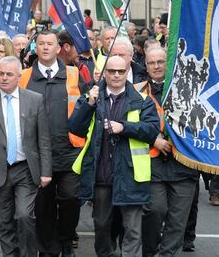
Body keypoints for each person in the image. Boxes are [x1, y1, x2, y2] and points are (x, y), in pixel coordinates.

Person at [68, 55, 159, 257]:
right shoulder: (92, 96)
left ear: (128, 72)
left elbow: (153, 130)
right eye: (111, 71)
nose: (116, 75)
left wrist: (124, 127)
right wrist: (89, 104)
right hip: (102, 175)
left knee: (132, 230)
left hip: (131, 175)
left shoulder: (141, 99)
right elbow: (75, 127)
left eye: (121, 71)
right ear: (104, 73)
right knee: (101, 226)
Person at [0, 56, 52, 257]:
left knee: (25, 215)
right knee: (4, 221)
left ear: (18, 76)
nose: (4, 78)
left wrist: (46, 171)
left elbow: (43, 138)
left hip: (25, 168)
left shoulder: (34, 99)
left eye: (9, 74)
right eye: (1, 74)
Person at [18, 30, 84, 257]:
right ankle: (48, 248)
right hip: (36, 154)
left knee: (71, 198)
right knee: (43, 205)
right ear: (35, 48)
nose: (45, 47)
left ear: (59, 48)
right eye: (41, 44)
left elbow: (89, 107)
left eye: (50, 44)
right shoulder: (24, 76)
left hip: (69, 150)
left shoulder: (74, 75)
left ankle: (66, 239)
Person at [139, 47, 199, 257]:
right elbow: (128, 124)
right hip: (153, 166)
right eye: (152, 62)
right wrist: (153, 139)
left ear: (169, 63)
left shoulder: (189, 89)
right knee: (154, 211)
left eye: (161, 61)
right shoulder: (138, 91)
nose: (156, 66)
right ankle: (149, 252)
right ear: (145, 66)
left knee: (177, 221)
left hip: (184, 166)